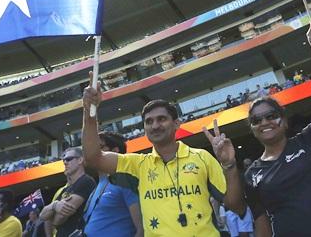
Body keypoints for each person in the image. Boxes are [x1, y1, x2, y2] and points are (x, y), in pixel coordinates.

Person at [204, 21, 311, 236]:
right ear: (253, 129)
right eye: (256, 120)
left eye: (271, 116)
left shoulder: (310, 140)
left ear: (284, 120)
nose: (264, 122)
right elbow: (243, 210)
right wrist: (228, 165)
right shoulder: (253, 173)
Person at [82, 90, 226, 237]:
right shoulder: (137, 164)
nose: (155, 126)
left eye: (161, 119)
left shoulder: (202, 157)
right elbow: (93, 158)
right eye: (149, 122)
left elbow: (235, 204)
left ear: (177, 123)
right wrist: (89, 113)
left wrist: (229, 165)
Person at [82, 132, 143, 237]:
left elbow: (142, 229)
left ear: (115, 151)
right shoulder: (97, 186)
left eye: (99, 147)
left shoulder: (125, 181)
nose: (92, 152)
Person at [40, 147, 96, 237]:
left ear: (80, 160)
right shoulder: (65, 190)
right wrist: (55, 205)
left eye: (69, 159)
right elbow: (42, 216)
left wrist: (52, 215)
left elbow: (59, 218)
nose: (65, 162)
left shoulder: (86, 181)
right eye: (64, 160)